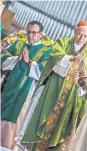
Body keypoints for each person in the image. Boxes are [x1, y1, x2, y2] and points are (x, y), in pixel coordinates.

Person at [21, 20, 87, 151]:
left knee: (60, 129)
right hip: (53, 91)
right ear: (75, 31)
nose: (81, 38)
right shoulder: (63, 42)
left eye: (85, 36)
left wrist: (86, 82)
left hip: (70, 98)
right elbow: (52, 58)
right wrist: (69, 59)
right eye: (79, 34)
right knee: (44, 122)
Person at [1, 21, 51, 149]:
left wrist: (30, 62)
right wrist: (16, 58)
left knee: (19, 115)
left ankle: (11, 146)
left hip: (27, 91)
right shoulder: (18, 45)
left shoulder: (45, 51)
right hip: (9, 87)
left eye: (34, 33)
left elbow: (44, 72)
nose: (30, 35)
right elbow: (3, 61)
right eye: (28, 32)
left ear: (40, 34)